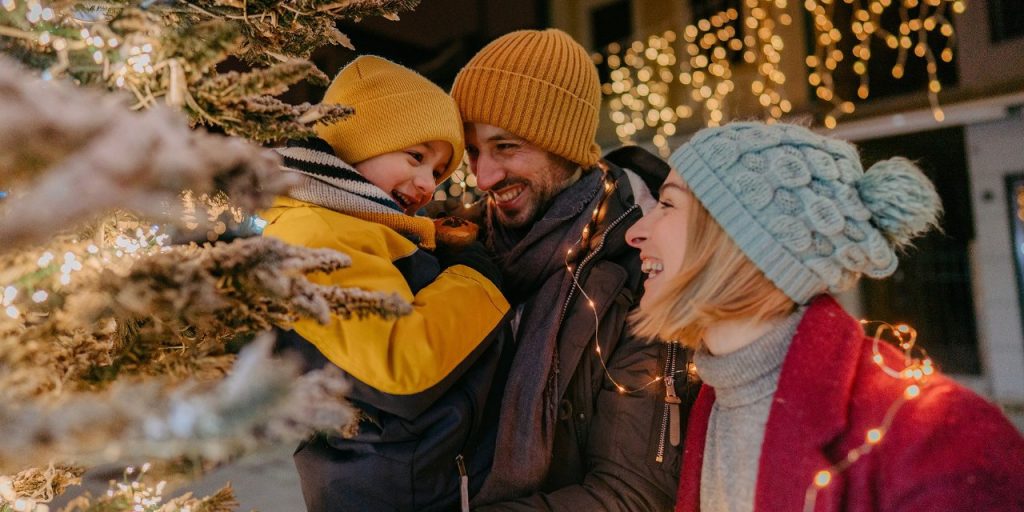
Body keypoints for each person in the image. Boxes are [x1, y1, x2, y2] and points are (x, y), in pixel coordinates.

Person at [624, 121, 1024, 511]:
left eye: (668, 203)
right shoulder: (714, 403)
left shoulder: (941, 440)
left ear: (742, 237)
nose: (635, 232)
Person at [448, 29, 697, 510]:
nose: (483, 177)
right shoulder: (462, 247)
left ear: (564, 145)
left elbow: (633, 494)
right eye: (474, 150)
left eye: (506, 146)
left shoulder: (641, 272)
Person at [261, 55, 512, 512]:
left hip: (413, 484)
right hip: (390, 494)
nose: (427, 185)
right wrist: (474, 279)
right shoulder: (313, 234)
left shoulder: (362, 229)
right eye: (415, 157)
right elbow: (399, 366)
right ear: (357, 142)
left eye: (437, 172)